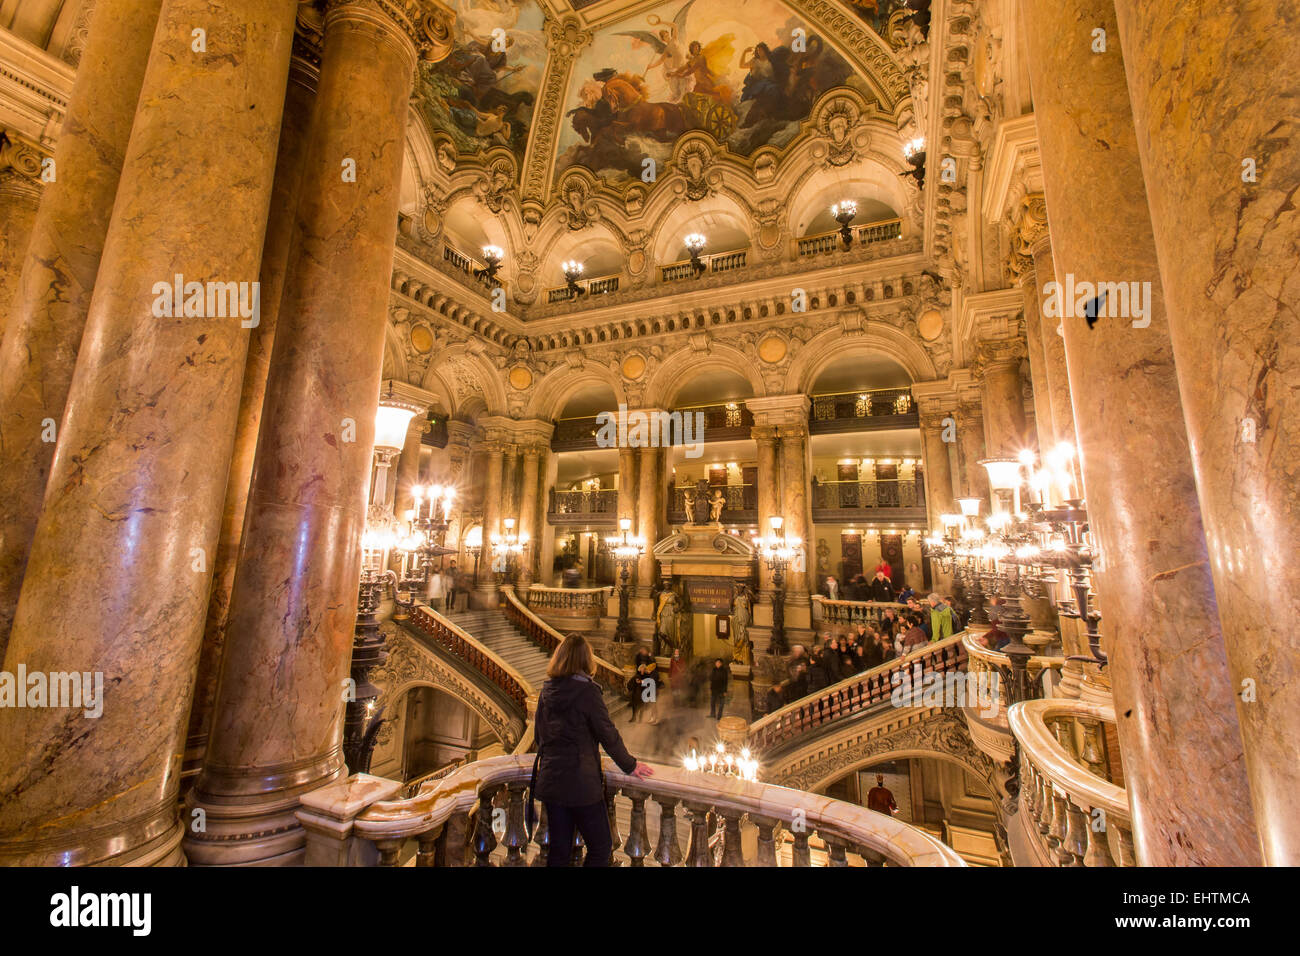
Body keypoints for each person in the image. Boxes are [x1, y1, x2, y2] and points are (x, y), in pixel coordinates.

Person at [532, 633, 653, 866]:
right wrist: (630, 765)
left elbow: (540, 736)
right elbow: (607, 733)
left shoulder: (547, 691)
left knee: (558, 850)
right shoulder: (587, 691)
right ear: (586, 660)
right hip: (580, 782)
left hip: (551, 780)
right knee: (600, 847)